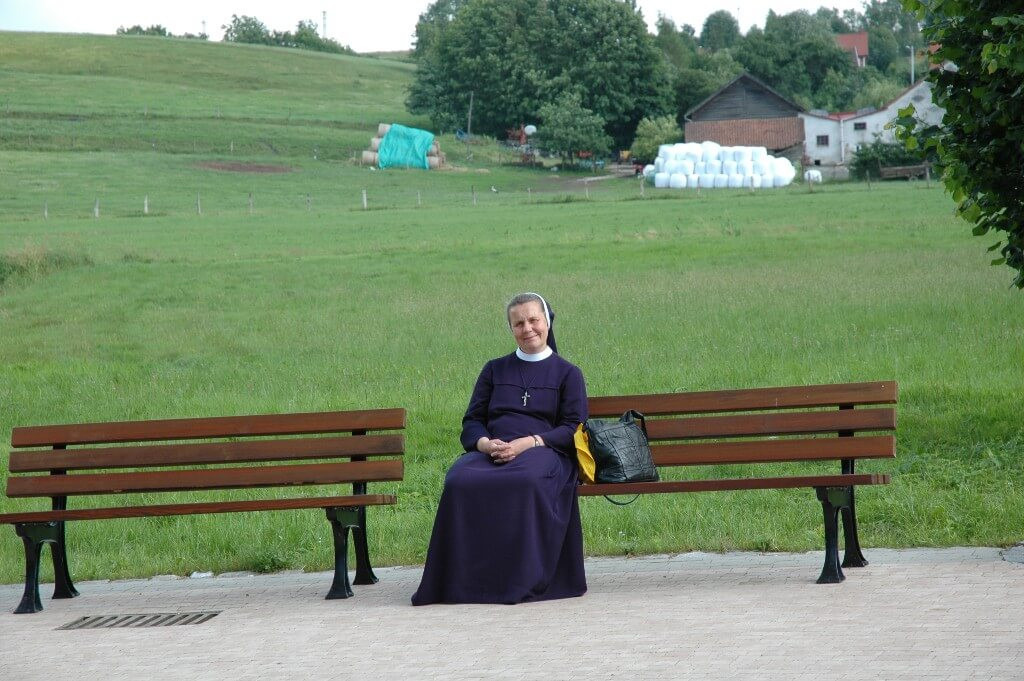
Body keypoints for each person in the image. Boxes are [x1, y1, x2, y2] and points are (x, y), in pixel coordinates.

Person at [411, 292, 588, 605]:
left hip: (544, 451)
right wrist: (484, 443)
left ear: (547, 322)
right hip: (492, 451)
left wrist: (528, 443)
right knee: (459, 480)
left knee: (526, 481)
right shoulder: (494, 370)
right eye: (518, 323)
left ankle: (520, 580)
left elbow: (573, 428)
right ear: (511, 329)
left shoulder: (568, 373)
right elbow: (472, 422)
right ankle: (463, 584)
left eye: (533, 320)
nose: (527, 328)